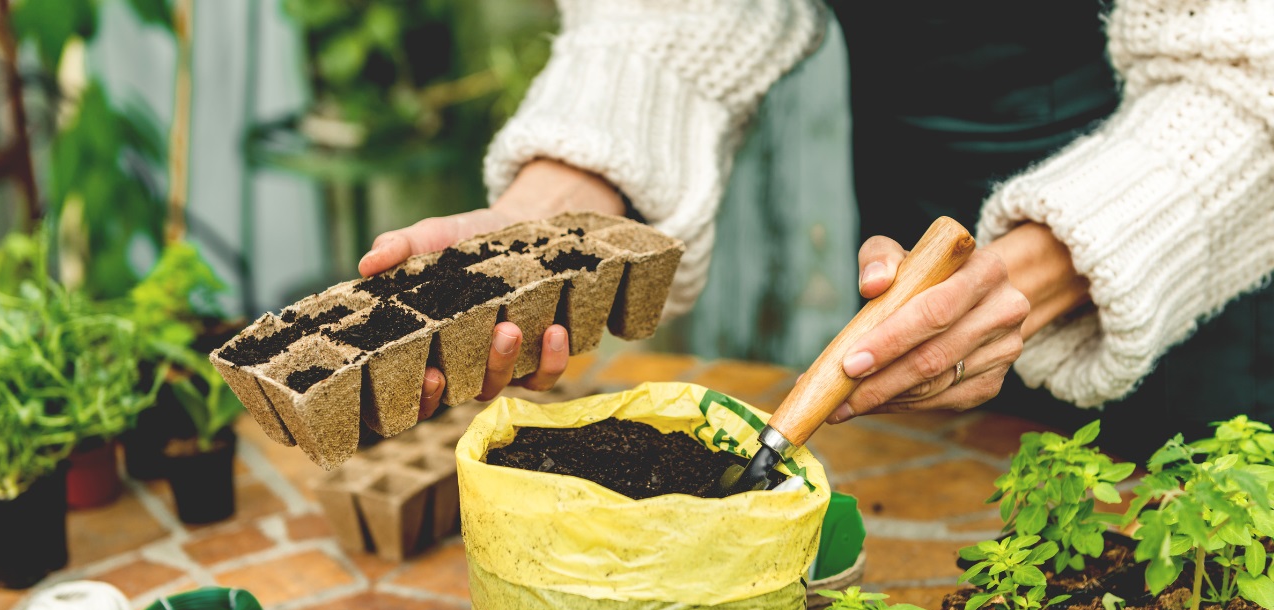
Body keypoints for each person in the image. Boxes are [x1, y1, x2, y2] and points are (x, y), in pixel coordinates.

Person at [358, 0, 1274, 460]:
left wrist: (1055, 262)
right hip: (925, 221)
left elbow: (1251, 69)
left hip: (1191, 224)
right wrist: (563, 198)